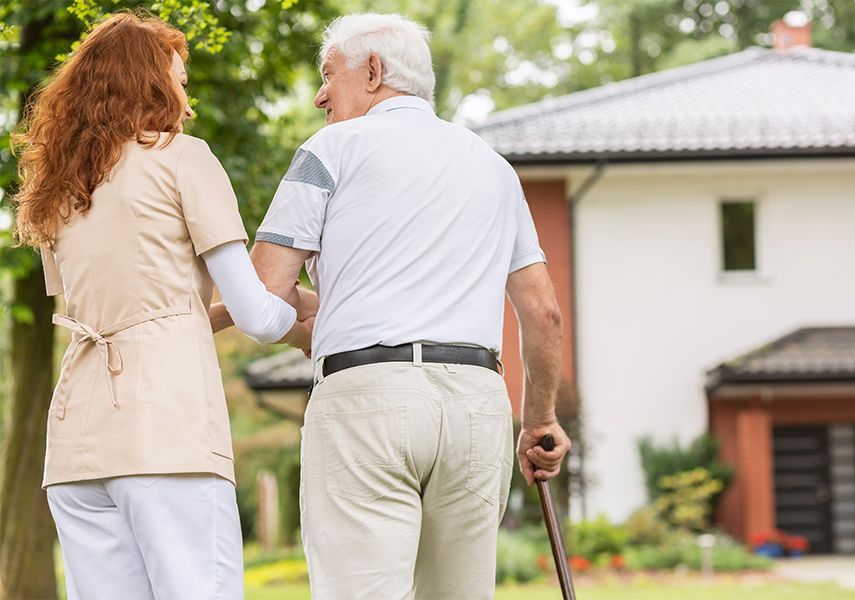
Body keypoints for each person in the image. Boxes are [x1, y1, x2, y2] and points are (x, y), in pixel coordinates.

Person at [250, 13, 571, 599]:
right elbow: (544, 314)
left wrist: (208, 314)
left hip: (367, 400)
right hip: (478, 404)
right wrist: (541, 420)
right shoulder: (495, 169)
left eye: (328, 75)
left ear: (372, 71)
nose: (321, 95)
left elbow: (263, 297)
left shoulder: (329, 149)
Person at [11, 12, 313, 600]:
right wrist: (298, 306)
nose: (186, 97)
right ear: (148, 84)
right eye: (177, 80)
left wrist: (231, 313)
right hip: (165, 430)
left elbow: (136, 311)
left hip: (78, 442)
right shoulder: (182, 157)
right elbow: (258, 315)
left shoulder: (62, 185)